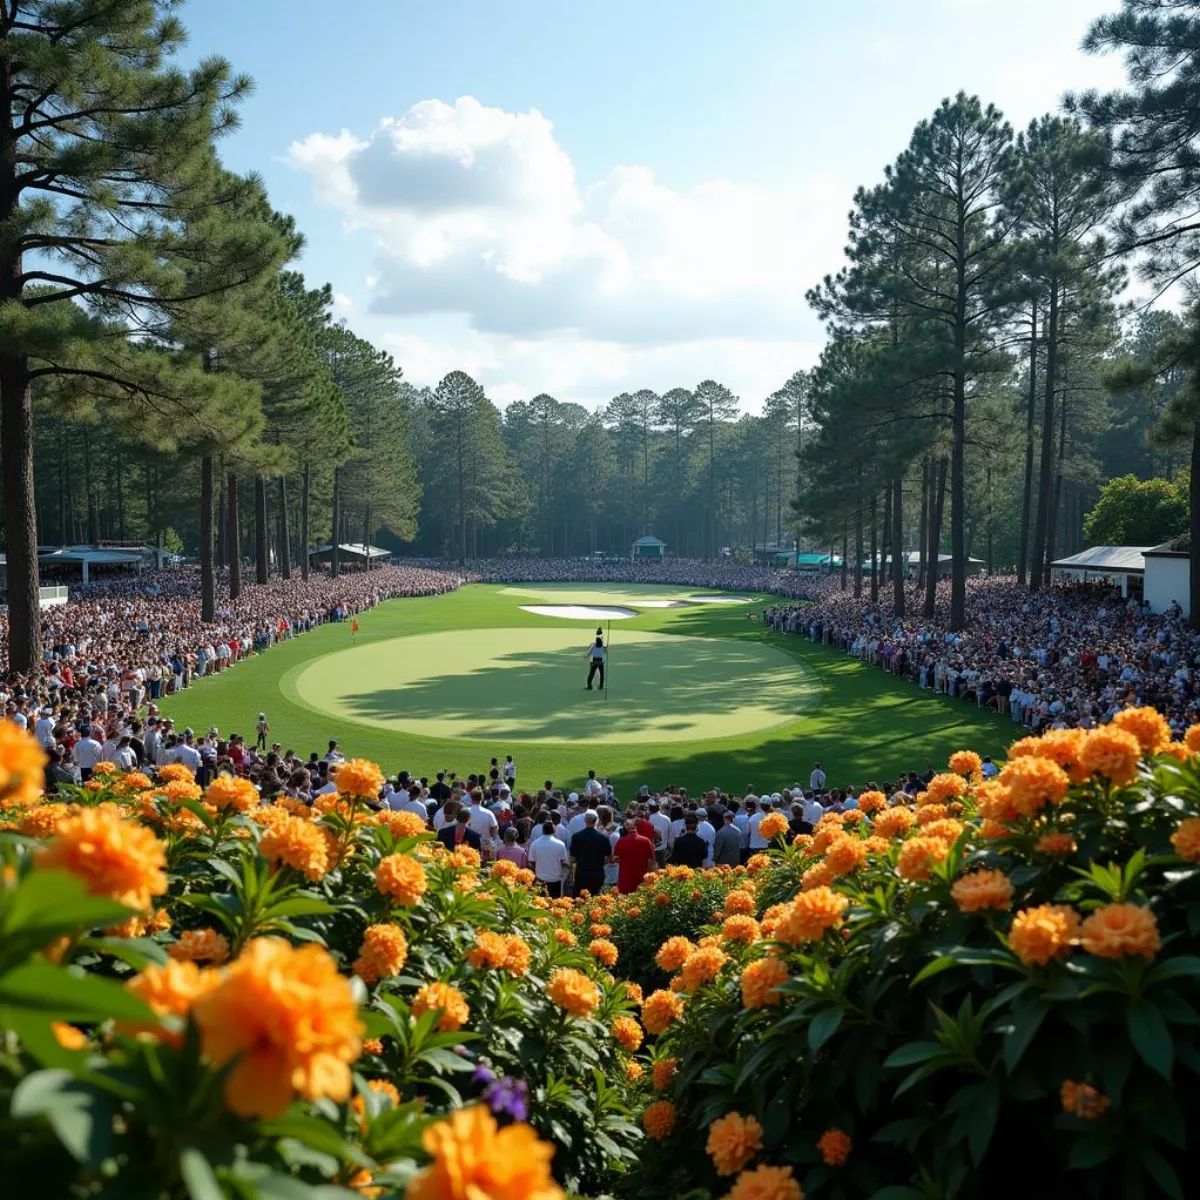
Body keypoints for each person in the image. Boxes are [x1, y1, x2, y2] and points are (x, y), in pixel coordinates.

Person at [569, 811, 612, 896]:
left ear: (585, 821)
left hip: (581, 872)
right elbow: (609, 857)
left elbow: (573, 858)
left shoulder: (576, 837)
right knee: (595, 898)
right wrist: (602, 863)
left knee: (580, 898)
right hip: (597, 872)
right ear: (596, 821)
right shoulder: (603, 838)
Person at [612, 817, 655, 894]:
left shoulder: (621, 841)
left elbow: (615, 858)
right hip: (642, 878)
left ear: (626, 827)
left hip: (625, 879)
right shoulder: (646, 841)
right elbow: (651, 861)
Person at [528, 821, 570, 898]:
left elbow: (531, 862)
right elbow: (564, 862)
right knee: (554, 905)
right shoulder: (561, 844)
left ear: (543, 830)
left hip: (540, 878)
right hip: (555, 879)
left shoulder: (535, 844)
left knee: (540, 905)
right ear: (554, 831)